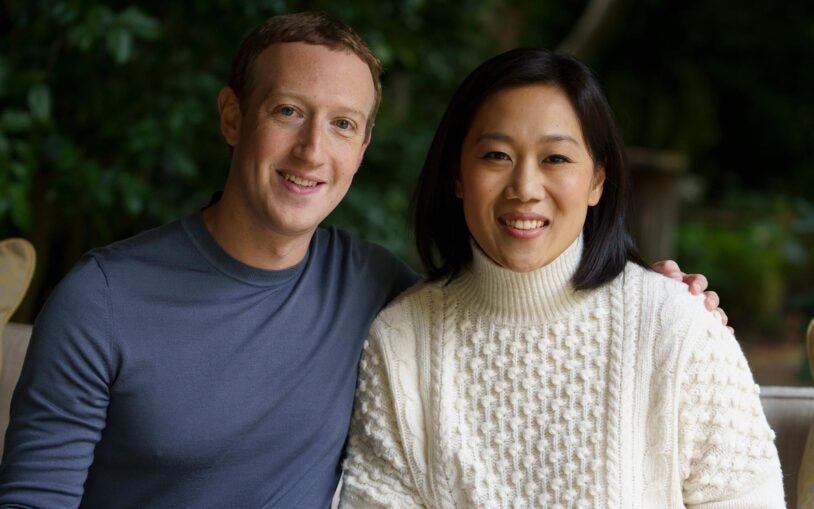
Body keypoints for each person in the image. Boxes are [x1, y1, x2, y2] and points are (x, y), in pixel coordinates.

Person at [0, 13, 723, 508]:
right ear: (232, 117)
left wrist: (666, 303)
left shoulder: (380, 294)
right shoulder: (102, 298)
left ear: (363, 146)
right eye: (288, 111)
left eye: (342, 124)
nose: (313, 150)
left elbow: (510, 320)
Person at [340, 48, 784, 507]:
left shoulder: (678, 327)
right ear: (458, 174)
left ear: (597, 181)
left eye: (555, 159)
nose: (525, 189)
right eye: (497, 155)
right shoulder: (399, 342)